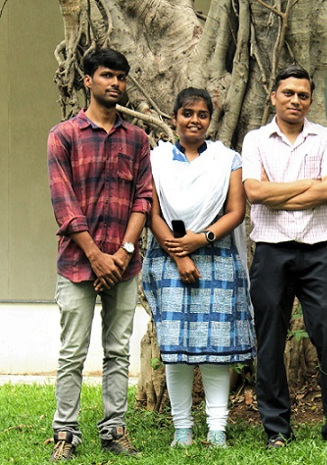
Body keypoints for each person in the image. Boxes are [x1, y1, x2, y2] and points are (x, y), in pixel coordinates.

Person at [47, 48, 152, 461]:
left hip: (123, 265)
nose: (116, 83)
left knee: (117, 351)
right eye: (107, 75)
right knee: (72, 351)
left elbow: (144, 198)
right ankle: (66, 434)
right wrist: (96, 256)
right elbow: (63, 202)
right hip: (77, 263)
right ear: (88, 80)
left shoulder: (137, 139)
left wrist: (123, 253)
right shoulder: (64, 135)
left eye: (122, 77)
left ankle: (114, 430)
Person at [242, 65, 327, 447]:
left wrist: (281, 193)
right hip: (271, 253)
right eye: (288, 93)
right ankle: (276, 429)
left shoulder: (325, 138)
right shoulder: (255, 140)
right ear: (273, 95)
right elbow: (255, 193)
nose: (295, 100)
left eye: (303, 95)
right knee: (269, 340)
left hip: (320, 252)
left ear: (310, 99)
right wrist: (310, 184)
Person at [141, 87, 255, 449]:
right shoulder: (155, 159)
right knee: (176, 349)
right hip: (169, 257)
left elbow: (236, 211)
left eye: (202, 114)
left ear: (210, 119)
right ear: (174, 118)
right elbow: (150, 212)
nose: (194, 120)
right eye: (187, 113)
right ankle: (182, 429)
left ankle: (217, 428)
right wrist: (180, 253)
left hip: (217, 259)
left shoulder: (227, 160)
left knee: (216, 349)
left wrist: (200, 239)